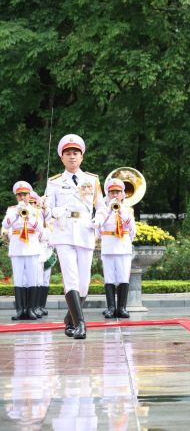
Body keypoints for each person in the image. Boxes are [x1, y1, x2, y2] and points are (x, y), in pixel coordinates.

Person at [44, 134, 101, 339]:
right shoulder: (54, 182)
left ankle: (69, 319)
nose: (72, 156)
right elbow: (46, 210)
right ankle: (81, 325)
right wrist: (53, 211)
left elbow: (101, 206)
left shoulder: (92, 180)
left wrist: (98, 219)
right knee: (71, 278)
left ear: (82, 156)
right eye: (67, 153)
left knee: (84, 283)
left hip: (85, 231)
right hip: (64, 231)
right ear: (62, 158)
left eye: (75, 153)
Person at [94, 178, 136, 319]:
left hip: (123, 247)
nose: (115, 195)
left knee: (124, 277)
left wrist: (121, 211)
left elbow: (132, 230)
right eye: (112, 192)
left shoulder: (128, 210)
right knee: (109, 278)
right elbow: (98, 229)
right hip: (108, 247)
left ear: (123, 194)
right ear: (107, 194)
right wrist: (109, 211)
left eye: (118, 192)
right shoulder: (102, 211)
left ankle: (122, 308)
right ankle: (111, 308)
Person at [2, 181, 44, 320]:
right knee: (18, 279)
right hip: (17, 247)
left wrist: (28, 216)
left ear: (29, 195)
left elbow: (40, 228)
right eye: (19, 195)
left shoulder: (35, 210)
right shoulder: (12, 210)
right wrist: (16, 213)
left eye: (25, 194)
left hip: (31, 246)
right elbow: (5, 224)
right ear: (16, 196)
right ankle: (20, 310)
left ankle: (30, 309)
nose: (22, 197)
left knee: (32, 279)